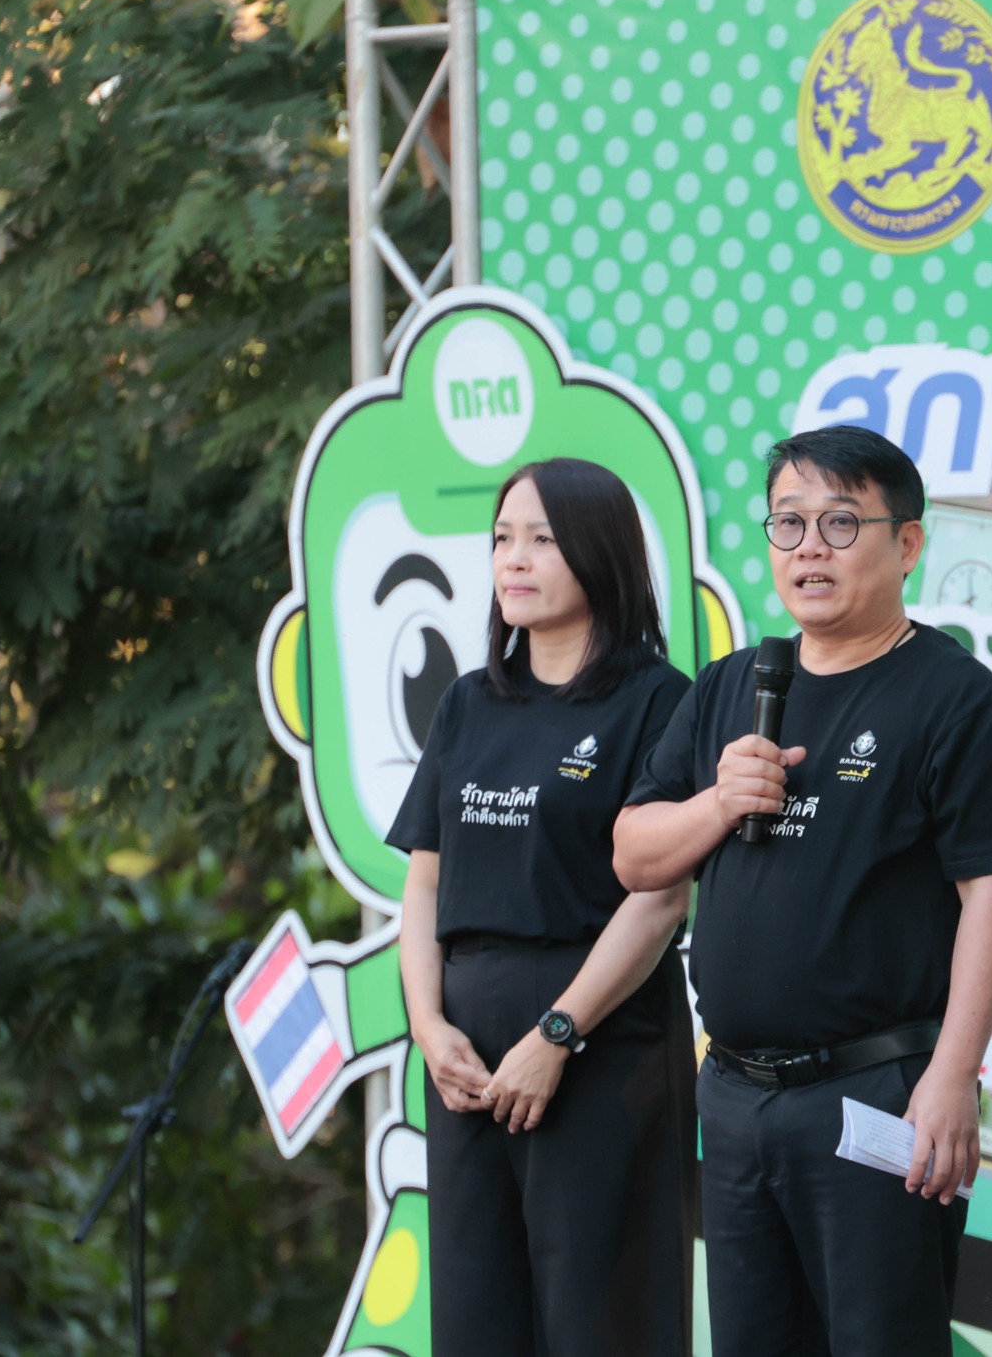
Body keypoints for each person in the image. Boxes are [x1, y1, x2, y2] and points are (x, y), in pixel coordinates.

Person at [612, 425, 992, 1356]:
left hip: (877, 1095)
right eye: (789, 522)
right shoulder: (731, 685)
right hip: (734, 1094)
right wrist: (719, 801)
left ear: (908, 543)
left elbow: (991, 898)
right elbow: (636, 857)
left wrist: (953, 1076)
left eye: (841, 523)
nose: (810, 547)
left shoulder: (959, 701)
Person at [388, 457, 697, 1357]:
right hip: (464, 1050)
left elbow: (659, 897)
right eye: (502, 538)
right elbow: (424, 883)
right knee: (475, 1319)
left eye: (543, 539)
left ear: (600, 553)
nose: (513, 559)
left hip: (600, 1038)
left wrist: (558, 1033)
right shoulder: (466, 702)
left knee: (604, 1320)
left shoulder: (659, 701)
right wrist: (428, 1027)